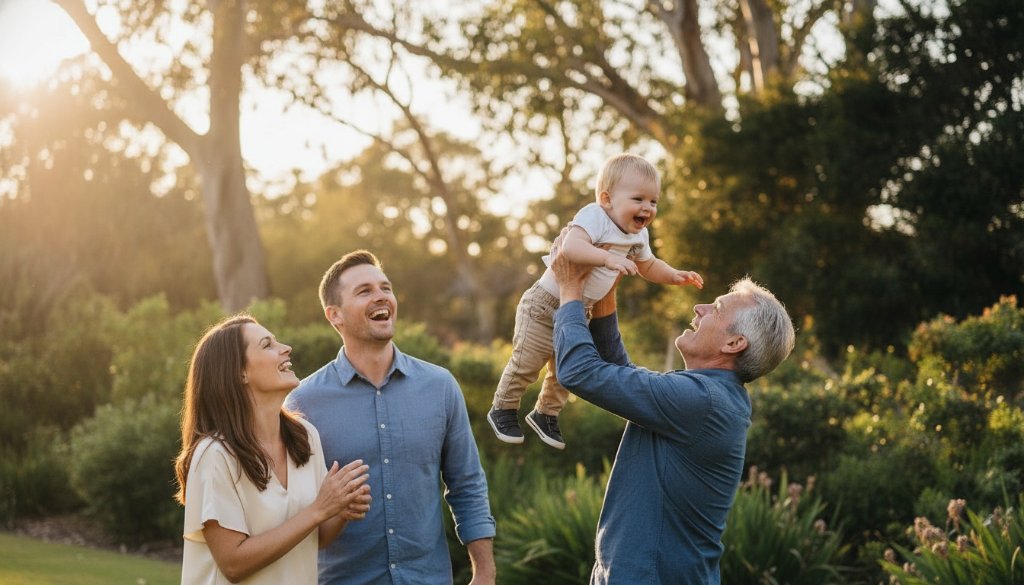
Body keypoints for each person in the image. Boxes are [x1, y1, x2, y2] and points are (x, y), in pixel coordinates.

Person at [548, 230, 795, 584]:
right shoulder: (706, 396)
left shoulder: (701, 401)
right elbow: (623, 375)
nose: (700, 307)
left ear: (734, 342)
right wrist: (605, 291)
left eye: (717, 308)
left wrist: (570, 290)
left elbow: (580, 372)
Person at [284, 250, 496, 585]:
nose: (382, 296)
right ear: (334, 315)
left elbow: (466, 484)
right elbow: (294, 511)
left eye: (386, 287)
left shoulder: (439, 387)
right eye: (364, 291)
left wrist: (484, 572)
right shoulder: (302, 402)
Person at [488, 153, 703, 450]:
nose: (647, 208)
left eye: (653, 201)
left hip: (580, 310)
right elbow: (572, 248)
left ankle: (545, 413)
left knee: (565, 371)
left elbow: (648, 265)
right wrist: (608, 258)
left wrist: (674, 275)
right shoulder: (594, 216)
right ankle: (504, 408)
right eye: (638, 199)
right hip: (544, 304)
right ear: (607, 199)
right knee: (528, 363)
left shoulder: (639, 235)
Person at [175, 315, 372, 585]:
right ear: (239, 372)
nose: (286, 348)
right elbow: (233, 563)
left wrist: (340, 509)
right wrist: (318, 509)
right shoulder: (214, 455)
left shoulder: (304, 437)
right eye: (267, 345)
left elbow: (318, 537)